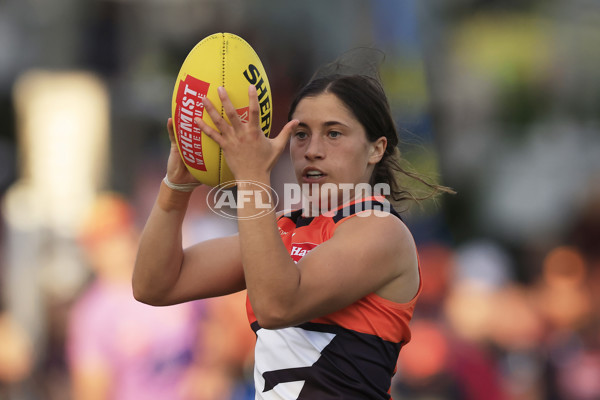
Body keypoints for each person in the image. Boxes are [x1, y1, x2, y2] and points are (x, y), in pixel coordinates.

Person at [133, 70, 452, 399]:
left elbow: (276, 307)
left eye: (333, 133)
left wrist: (253, 175)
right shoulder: (285, 228)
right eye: (301, 134)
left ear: (376, 149)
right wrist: (175, 188)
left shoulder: (382, 230)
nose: (312, 150)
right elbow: (154, 285)